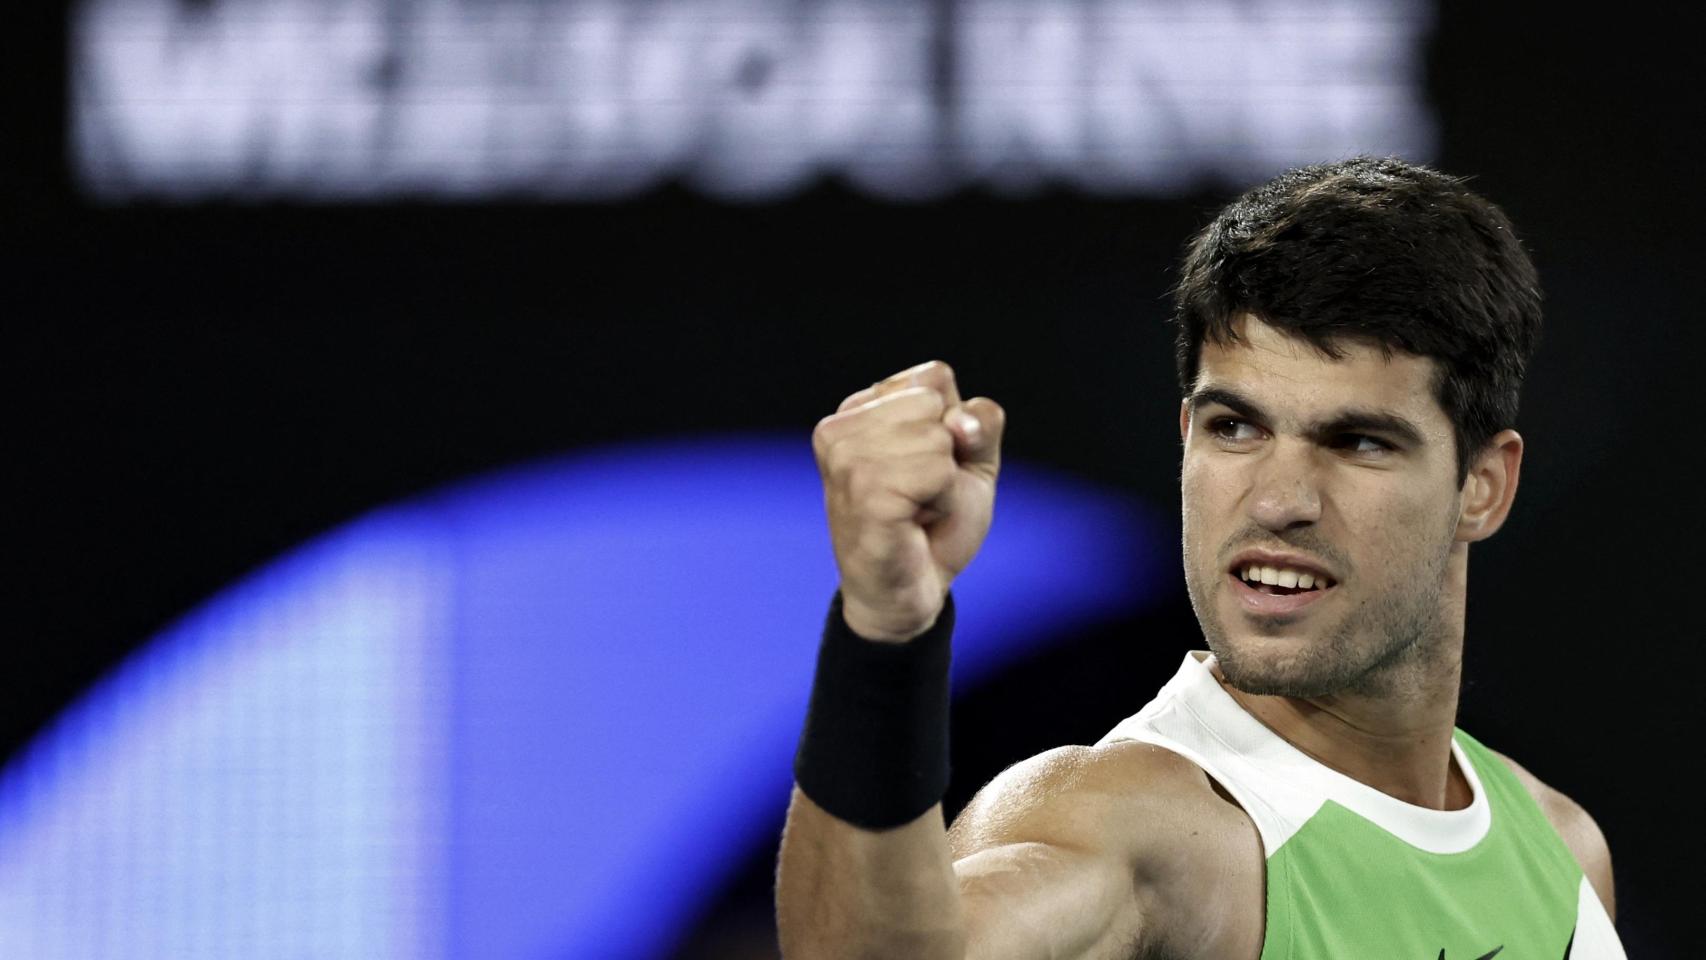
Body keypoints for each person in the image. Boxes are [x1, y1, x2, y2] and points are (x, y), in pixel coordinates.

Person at [774, 157, 1626, 958]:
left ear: (1482, 485)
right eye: (1236, 427)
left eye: (1359, 440)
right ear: (1187, 436)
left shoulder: (1564, 848)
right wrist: (884, 633)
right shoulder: (1133, 824)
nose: (1278, 500)